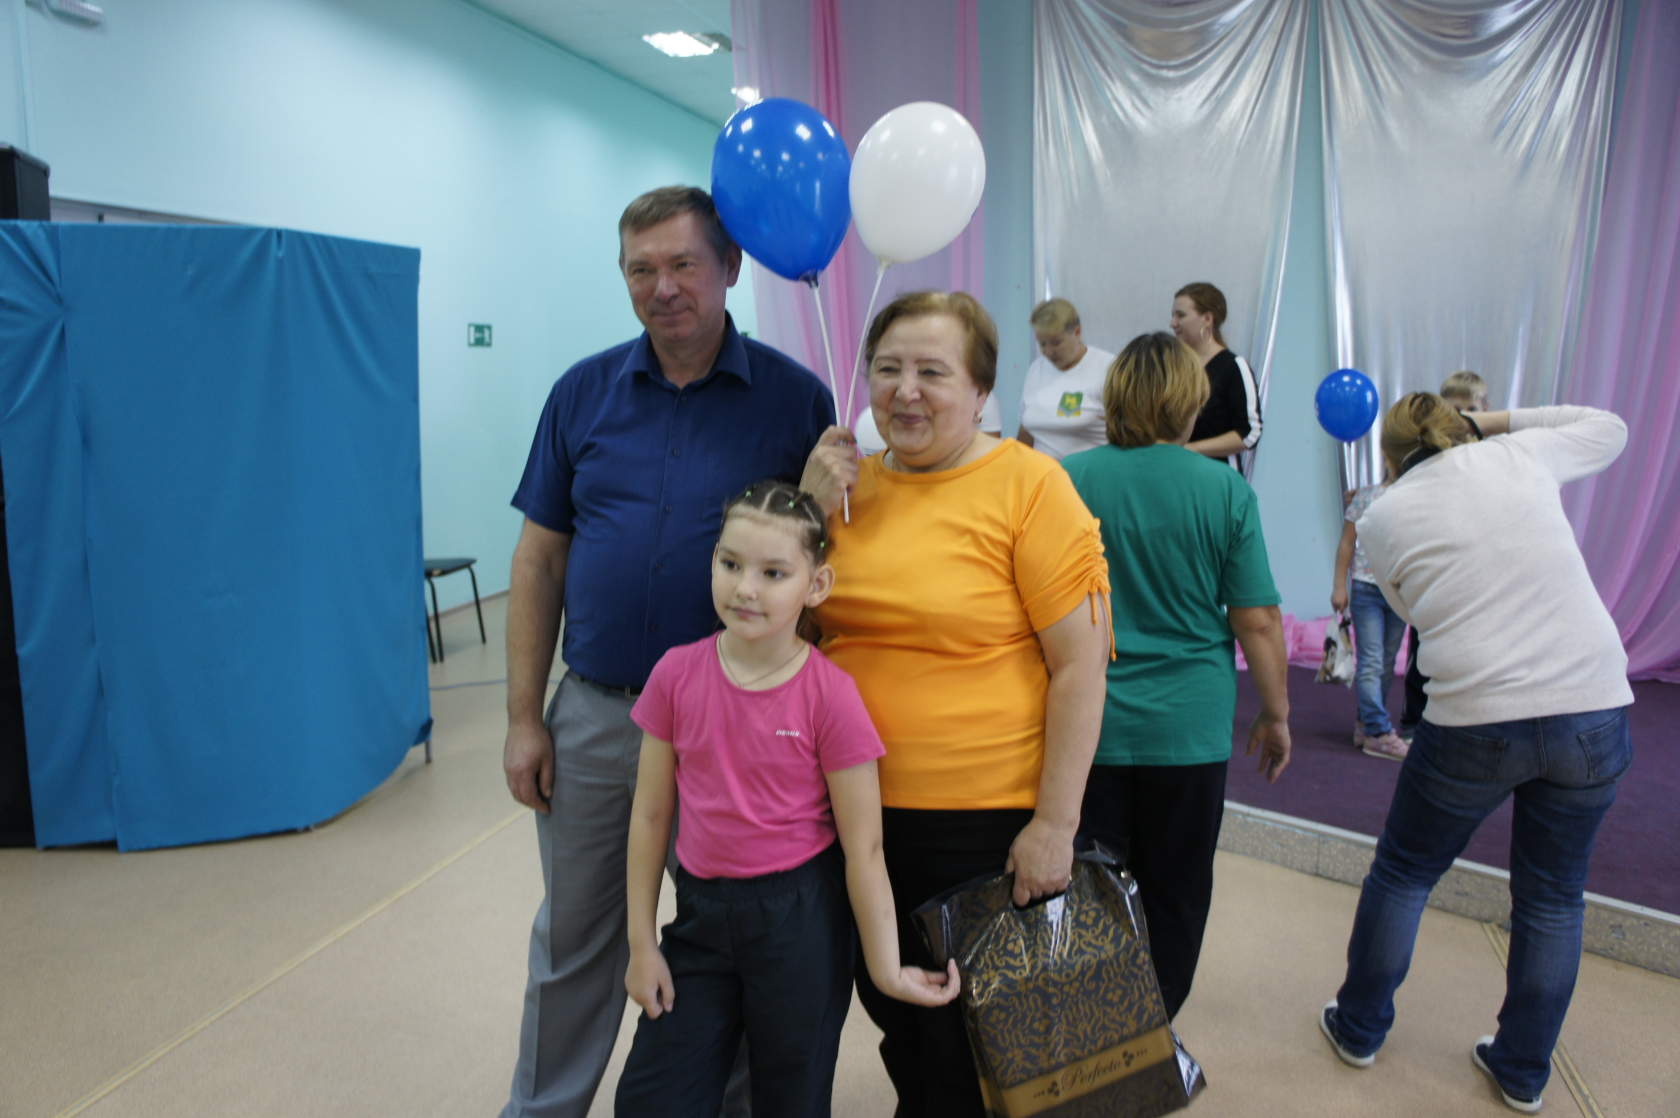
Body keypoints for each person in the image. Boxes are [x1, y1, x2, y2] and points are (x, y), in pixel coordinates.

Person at [500, 185, 834, 1118]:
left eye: (684, 264)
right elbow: (538, 560)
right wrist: (525, 718)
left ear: (729, 267)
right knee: (575, 937)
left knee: (734, 940)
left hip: (738, 724)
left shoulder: (794, 400)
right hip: (599, 715)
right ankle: (543, 1109)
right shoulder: (582, 394)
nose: (664, 287)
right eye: (641, 269)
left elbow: (821, 564)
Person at [805, 291, 1112, 1116]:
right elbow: (783, 633)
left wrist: (1055, 825)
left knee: (974, 1046)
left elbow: (1081, 667)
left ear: (980, 391)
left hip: (978, 824)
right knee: (901, 1022)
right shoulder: (845, 488)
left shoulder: (1030, 486)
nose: (905, 391)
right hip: (851, 815)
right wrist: (806, 509)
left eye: (933, 372)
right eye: (888, 369)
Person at [1319, 395, 1632, 1115]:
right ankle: (1522, 1070)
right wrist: (1490, 424)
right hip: (1591, 705)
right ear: (1461, 429)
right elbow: (1608, 428)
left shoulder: (1383, 515)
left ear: (1390, 456)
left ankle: (1359, 1028)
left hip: (1476, 717)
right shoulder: (1519, 454)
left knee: (1404, 873)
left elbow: (1410, 609)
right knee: (1554, 897)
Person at [614, 481, 959, 1117]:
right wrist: (641, 944)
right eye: (730, 564)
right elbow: (651, 815)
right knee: (653, 1099)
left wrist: (885, 968)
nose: (745, 588)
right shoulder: (675, 675)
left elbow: (865, 848)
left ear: (816, 584)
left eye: (773, 573)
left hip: (799, 924)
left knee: (790, 1100)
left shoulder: (831, 696)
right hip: (701, 917)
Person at [1061, 332, 1292, 1019]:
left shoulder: (1066, 480)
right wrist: (1277, 712)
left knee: (1088, 885)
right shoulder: (1224, 489)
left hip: (1087, 723)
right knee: (1177, 890)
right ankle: (1151, 1029)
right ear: (1190, 404)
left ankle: (1092, 1029)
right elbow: (1257, 621)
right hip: (1188, 726)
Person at [1398, 371, 1491, 741]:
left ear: (1486, 410)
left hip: (1475, 566)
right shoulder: (1426, 456)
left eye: (1471, 409)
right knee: (1424, 647)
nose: (1463, 417)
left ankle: (1468, 722)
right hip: (1435, 565)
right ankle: (1414, 721)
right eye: (1455, 409)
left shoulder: (1492, 457)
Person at [1331, 483, 1408, 761]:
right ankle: (1379, 731)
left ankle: (1366, 724)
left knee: (1386, 662)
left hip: (1399, 590)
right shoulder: (1367, 496)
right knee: (1372, 660)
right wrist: (1339, 585)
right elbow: (1347, 542)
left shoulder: (1416, 494)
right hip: (1367, 588)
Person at [1170, 281, 1262, 476]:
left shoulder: (1233, 367)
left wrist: (1191, 449)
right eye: (1173, 316)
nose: (1173, 323)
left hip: (1217, 477)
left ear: (1207, 319)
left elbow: (1249, 433)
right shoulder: (1173, 366)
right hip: (1176, 474)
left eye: (1181, 315)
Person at [1008, 297, 1115, 460]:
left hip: (1089, 472)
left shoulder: (1109, 368)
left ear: (1077, 332)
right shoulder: (1036, 369)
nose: (1048, 352)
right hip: (1042, 473)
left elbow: (1131, 433)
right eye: (1042, 344)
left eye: (1056, 343)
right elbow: (1026, 429)